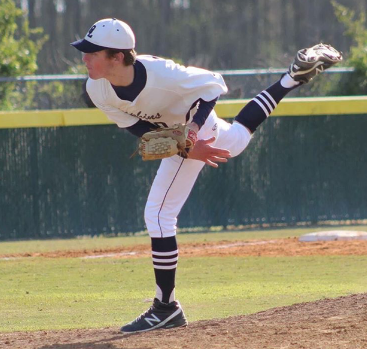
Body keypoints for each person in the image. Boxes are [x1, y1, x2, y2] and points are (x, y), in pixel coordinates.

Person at [71, 18, 342, 333]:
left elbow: (214, 85)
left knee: (158, 215)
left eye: (92, 52)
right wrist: (186, 149)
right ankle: (291, 79)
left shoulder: (163, 75)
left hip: (197, 123)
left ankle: (165, 308)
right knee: (238, 140)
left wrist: (195, 131)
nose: (84, 58)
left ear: (117, 57)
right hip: (180, 138)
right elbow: (140, 131)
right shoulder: (97, 89)